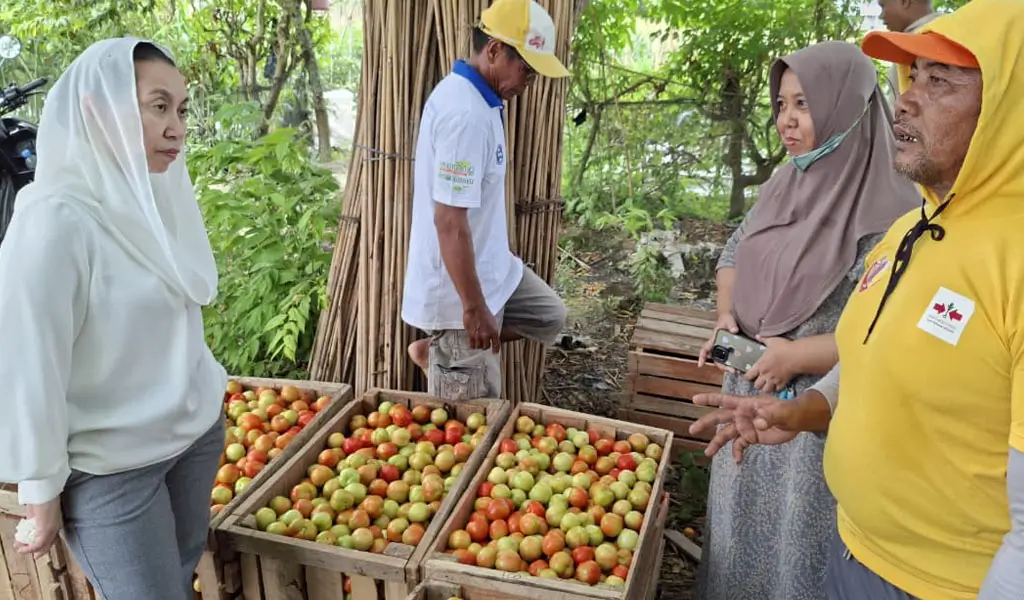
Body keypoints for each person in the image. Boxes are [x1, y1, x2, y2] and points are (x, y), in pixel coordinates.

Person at [691, 1, 1024, 598]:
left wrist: (795, 361)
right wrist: (808, 409)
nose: (906, 98)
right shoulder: (916, 231)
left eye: (940, 80)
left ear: (1008, 104)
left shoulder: (1002, 256)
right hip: (857, 552)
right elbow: (870, 348)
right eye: (912, 76)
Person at [692, 41, 921, 600]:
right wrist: (727, 317)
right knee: (736, 531)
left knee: (795, 549)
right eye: (780, 105)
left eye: (803, 104)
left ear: (846, 105)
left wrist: (796, 355)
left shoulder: (894, 211)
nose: (786, 121)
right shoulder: (783, 183)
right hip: (747, 388)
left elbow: (887, 326)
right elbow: (732, 255)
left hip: (816, 408)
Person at [0, 37, 226, 600]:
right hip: (112, 471)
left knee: (177, 579)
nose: (177, 127)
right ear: (99, 109)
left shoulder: (155, 197)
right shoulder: (54, 220)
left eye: (181, 110)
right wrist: (42, 489)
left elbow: (179, 309)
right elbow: (31, 361)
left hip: (193, 439)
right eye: (158, 106)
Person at [402, 0, 567, 400]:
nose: (529, 80)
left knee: (550, 317)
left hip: (495, 268)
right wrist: (473, 309)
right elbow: (449, 222)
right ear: (493, 50)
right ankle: (449, 347)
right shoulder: (466, 115)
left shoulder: (486, 102)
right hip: (459, 291)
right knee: (477, 420)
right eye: (526, 68)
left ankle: (436, 349)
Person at [878, 0, 939, 106]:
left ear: (905, 1)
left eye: (883, 6)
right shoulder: (945, 31)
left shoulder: (928, 39)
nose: (881, 16)